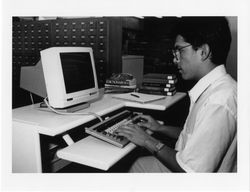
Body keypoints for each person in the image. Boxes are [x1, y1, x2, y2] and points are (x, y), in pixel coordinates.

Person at [116, 17, 237, 173]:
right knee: (139, 164)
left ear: (203, 52)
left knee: (137, 167)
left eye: (180, 50)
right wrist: (159, 128)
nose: (175, 59)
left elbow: (190, 172)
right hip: (191, 162)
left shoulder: (218, 101)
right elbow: (195, 136)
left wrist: (146, 140)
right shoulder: (217, 89)